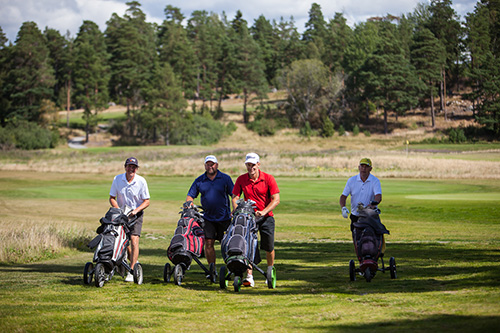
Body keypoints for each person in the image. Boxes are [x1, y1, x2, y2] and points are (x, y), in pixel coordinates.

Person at [232, 152, 280, 287]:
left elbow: (276, 200)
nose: (250, 167)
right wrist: (236, 209)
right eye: (248, 165)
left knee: (268, 246)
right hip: (248, 217)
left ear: (258, 164)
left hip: (266, 217)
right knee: (248, 245)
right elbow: (235, 197)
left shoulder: (268, 178)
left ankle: (269, 271)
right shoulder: (241, 179)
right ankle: (249, 276)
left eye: (253, 165)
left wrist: (264, 211)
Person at [186, 155, 234, 272]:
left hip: (224, 217)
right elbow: (190, 196)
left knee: (227, 244)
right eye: (208, 164)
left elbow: (234, 195)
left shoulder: (225, 178)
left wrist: (235, 209)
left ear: (216, 165)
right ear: (205, 166)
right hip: (208, 218)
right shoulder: (199, 180)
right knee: (208, 243)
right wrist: (189, 205)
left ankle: (230, 268)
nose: (210, 166)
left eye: (212, 164)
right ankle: (212, 269)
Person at [109, 157, 150, 282]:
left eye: (134, 167)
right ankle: (130, 260)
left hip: (136, 214)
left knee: (134, 239)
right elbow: (112, 198)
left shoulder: (141, 181)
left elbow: (146, 201)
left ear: (136, 169)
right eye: (129, 166)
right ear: (125, 167)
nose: (131, 169)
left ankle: (131, 271)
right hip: (121, 215)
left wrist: (136, 211)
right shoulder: (117, 179)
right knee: (123, 241)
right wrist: (118, 210)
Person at [339, 158, 382, 229]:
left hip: (370, 215)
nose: (363, 169)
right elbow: (343, 196)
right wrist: (343, 207)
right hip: (355, 215)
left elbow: (378, 197)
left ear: (370, 169)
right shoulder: (351, 180)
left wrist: (371, 205)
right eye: (362, 166)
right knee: (356, 237)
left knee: (376, 234)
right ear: (359, 167)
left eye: (366, 167)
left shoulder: (375, 181)